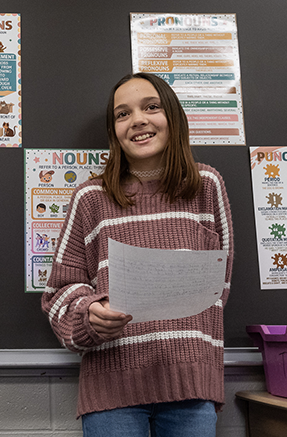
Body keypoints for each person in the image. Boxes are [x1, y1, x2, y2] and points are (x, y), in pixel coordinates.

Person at [41, 72, 233, 437]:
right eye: (122, 114)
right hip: (112, 386)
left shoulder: (207, 185)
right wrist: (88, 317)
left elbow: (218, 287)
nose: (138, 120)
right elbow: (59, 293)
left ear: (173, 117)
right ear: (114, 132)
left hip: (191, 383)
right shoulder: (90, 198)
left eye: (151, 107)